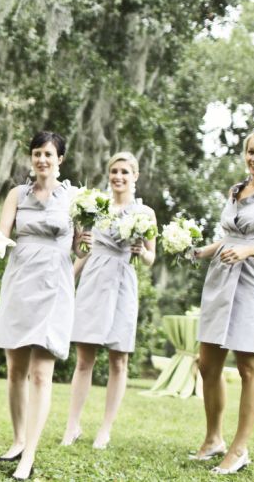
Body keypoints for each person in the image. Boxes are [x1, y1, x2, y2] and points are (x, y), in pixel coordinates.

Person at [0, 131, 82, 480]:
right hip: (19, 281)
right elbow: (3, 231)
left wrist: (84, 242)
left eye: (48, 154)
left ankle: (30, 455)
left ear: (61, 160)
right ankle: (17, 440)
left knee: (41, 373)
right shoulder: (17, 194)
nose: (42, 159)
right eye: (37, 153)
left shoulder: (75, 197)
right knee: (15, 370)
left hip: (55, 285)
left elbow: (82, 248)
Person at [61, 152, 156, 450]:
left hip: (123, 281)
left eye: (125, 172)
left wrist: (143, 251)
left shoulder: (146, 213)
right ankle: (72, 425)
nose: (118, 177)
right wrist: (71, 272)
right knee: (84, 358)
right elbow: (83, 251)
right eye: (114, 171)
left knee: (119, 359)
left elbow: (152, 258)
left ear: (135, 176)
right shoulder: (95, 206)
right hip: (93, 279)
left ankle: (105, 429)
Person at [190, 126, 254, 475]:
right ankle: (213, 439)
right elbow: (227, 237)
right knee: (207, 363)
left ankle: (239, 450)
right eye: (251, 151)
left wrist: (252, 250)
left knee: (250, 367)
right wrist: (196, 251)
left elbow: (248, 243)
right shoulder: (237, 190)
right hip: (221, 281)